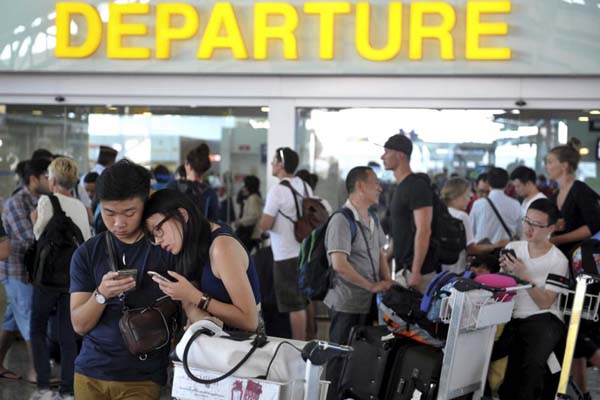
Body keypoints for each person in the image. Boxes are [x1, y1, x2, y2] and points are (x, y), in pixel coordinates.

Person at [69, 160, 176, 400]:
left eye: (130, 213)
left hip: (142, 377)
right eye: (109, 213)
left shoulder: (165, 248)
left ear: (146, 203)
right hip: (90, 374)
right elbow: (79, 325)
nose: (119, 223)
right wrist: (101, 294)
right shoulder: (87, 253)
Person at [144, 189, 261, 332]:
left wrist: (193, 296)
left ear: (182, 215)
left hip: (241, 348)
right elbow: (189, 301)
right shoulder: (192, 244)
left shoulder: (222, 247)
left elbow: (250, 321)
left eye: (158, 229)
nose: (157, 240)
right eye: (152, 235)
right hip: (219, 345)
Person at [323, 166, 394, 399]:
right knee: (339, 358)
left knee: (361, 358)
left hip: (368, 303)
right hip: (347, 303)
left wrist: (387, 280)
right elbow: (339, 264)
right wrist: (371, 285)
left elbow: (380, 253)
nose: (380, 187)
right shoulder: (341, 220)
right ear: (360, 186)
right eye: (375, 182)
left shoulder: (372, 218)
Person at [493, 198, 568, 400]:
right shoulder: (514, 247)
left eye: (536, 225)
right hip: (511, 316)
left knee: (531, 367)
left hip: (544, 317)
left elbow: (545, 302)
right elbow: (502, 286)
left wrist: (523, 275)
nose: (529, 228)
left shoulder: (558, 260)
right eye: (527, 221)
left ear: (551, 228)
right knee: (491, 358)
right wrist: (505, 274)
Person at [30, 157, 92, 400]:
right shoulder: (79, 206)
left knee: (37, 329)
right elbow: (86, 243)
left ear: (53, 179)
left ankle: (44, 387)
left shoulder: (46, 200)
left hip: (46, 279)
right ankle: (67, 390)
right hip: (71, 281)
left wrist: (35, 218)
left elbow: (38, 236)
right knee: (68, 336)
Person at [545, 138, 600, 399]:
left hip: (585, 273)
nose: (547, 167)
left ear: (565, 166)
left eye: (551, 162)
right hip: (566, 270)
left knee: (582, 335)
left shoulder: (579, 190)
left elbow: (592, 227)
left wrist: (557, 238)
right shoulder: (557, 194)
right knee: (573, 335)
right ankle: (584, 393)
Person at [0, 158, 50, 385]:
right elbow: (29, 238)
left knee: (12, 320)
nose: (50, 180)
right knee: (30, 317)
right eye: (46, 176)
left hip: (32, 271)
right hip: (16, 271)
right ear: (33, 179)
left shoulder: (44, 200)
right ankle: (37, 372)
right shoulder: (16, 203)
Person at [260, 147, 311, 340]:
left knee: (293, 305)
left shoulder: (278, 190)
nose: (272, 164)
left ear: (281, 165)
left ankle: (299, 348)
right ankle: (307, 338)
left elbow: (265, 224)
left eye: (274, 161)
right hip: (303, 252)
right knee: (303, 301)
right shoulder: (305, 186)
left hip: (285, 254)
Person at [380, 133, 436, 293]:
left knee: (419, 316)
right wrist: (386, 257)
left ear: (400, 155)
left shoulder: (417, 186)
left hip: (418, 272)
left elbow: (424, 230)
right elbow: (400, 230)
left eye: (387, 151)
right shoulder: (398, 188)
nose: (382, 156)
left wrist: (416, 270)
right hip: (403, 269)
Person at [440, 177, 506, 273]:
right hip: (456, 270)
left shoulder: (440, 213)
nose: (470, 199)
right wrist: (497, 245)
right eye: (467, 195)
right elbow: (472, 249)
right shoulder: (461, 216)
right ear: (457, 196)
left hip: (440, 269)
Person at [167, 144, 219, 221]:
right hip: (202, 232)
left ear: (188, 165)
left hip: (177, 231)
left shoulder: (173, 186)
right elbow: (214, 220)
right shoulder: (210, 192)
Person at [471, 167, 521, 244]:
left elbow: (472, 231)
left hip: (483, 252)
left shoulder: (478, 204)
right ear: (507, 184)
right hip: (506, 251)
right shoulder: (515, 204)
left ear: (489, 182)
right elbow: (520, 231)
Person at [510, 166, 547, 239]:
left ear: (529, 183)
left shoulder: (541, 202)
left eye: (518, 186)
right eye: (515, 186)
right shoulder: (525, 200)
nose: (516, 189)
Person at [235, 175, 263, 253]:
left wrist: (240, 221)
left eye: (244, 185)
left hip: (251, 235)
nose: (243, 188)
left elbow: (253, 216)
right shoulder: (254, 197)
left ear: (248, 186)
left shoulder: (253, 198)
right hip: (252, 234)